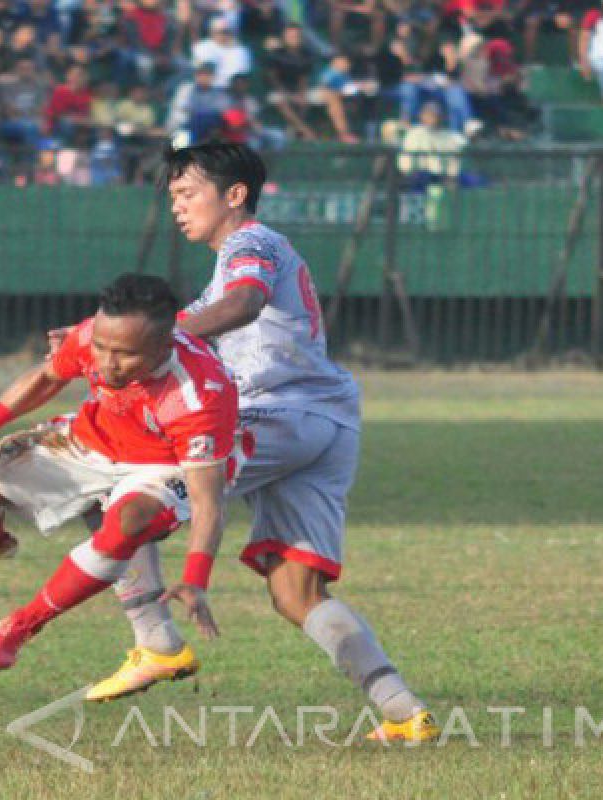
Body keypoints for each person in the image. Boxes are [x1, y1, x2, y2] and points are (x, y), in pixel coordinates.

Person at [78, 143, 439, 743]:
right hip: (325, 422)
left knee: (124, 494)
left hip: (276, 414)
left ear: (235, 194)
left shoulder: (252, 244)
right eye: (171, 197)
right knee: (294, 588)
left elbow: (242, 305)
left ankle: (155, 642)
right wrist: (100, 338)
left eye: (187, 193)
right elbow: (193, 320)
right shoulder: (229, 266)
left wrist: (153, 342)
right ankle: (405, 712)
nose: (176, 207)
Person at [0, 273, 240, 673]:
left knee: (126, 523)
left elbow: (207, 502)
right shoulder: (93, 336)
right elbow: (46, 378)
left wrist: (196, 577)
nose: (107, 363)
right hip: (91, 440)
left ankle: (21, 625)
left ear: (166, 344)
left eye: (125, 355)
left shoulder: (200, 397)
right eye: (101, 348)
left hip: (164, 466)